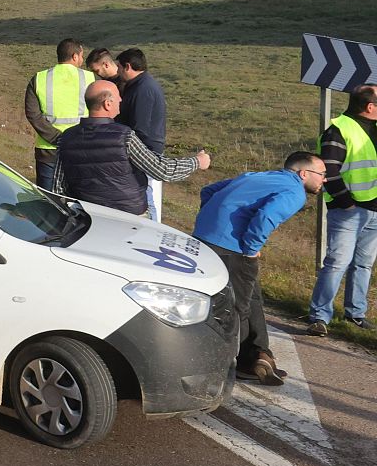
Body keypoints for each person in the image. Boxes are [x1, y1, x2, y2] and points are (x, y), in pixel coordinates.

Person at [194, 152, 326, 385]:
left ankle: (259, 356)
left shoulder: (258, 176)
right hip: (232, 248)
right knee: (238, 305)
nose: (324, 179)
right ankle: (236, 364)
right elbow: (266, 216)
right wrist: (251, 248)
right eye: (322, 174)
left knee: (252, 297)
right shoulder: (295, 191)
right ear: (304, 173)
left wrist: (212, 222)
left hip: (206, 239)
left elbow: (209, 191)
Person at [52, 80, 210, 213]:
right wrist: (197, 161)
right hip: (130, 217)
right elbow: (163, 170)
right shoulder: (124, 137)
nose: (121, 99)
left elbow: (58, 188)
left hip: (89, 217)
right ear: (107, 104)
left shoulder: (65, 138)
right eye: (117, 96)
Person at [307, 85, 377, 336]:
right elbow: (330, 170)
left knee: (363, 265)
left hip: (373, 210)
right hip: (349, 210)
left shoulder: (374, 128)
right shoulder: (338, 130)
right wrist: (345, 201)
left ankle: (355, 314)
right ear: (370, 107)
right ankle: (319, 316)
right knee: (337, 263)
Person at [24, 38, 96, 193]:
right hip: (80, 147)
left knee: (48, 200)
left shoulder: (39, 78)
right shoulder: (89, 78)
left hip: (48, 149)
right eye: (82, 56)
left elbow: (33, 114)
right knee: (78, 200)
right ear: (75, 56)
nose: (82, 60)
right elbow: (97, 112)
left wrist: (57, 137)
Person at [116, 48, 169, 221]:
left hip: (145, 152)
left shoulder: (143, 90)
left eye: (119, 67)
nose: (117, 72)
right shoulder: (140, 85)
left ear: (127, 67)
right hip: (145, 149)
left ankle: (154, 229)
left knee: (148, 195)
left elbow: (140, 128)